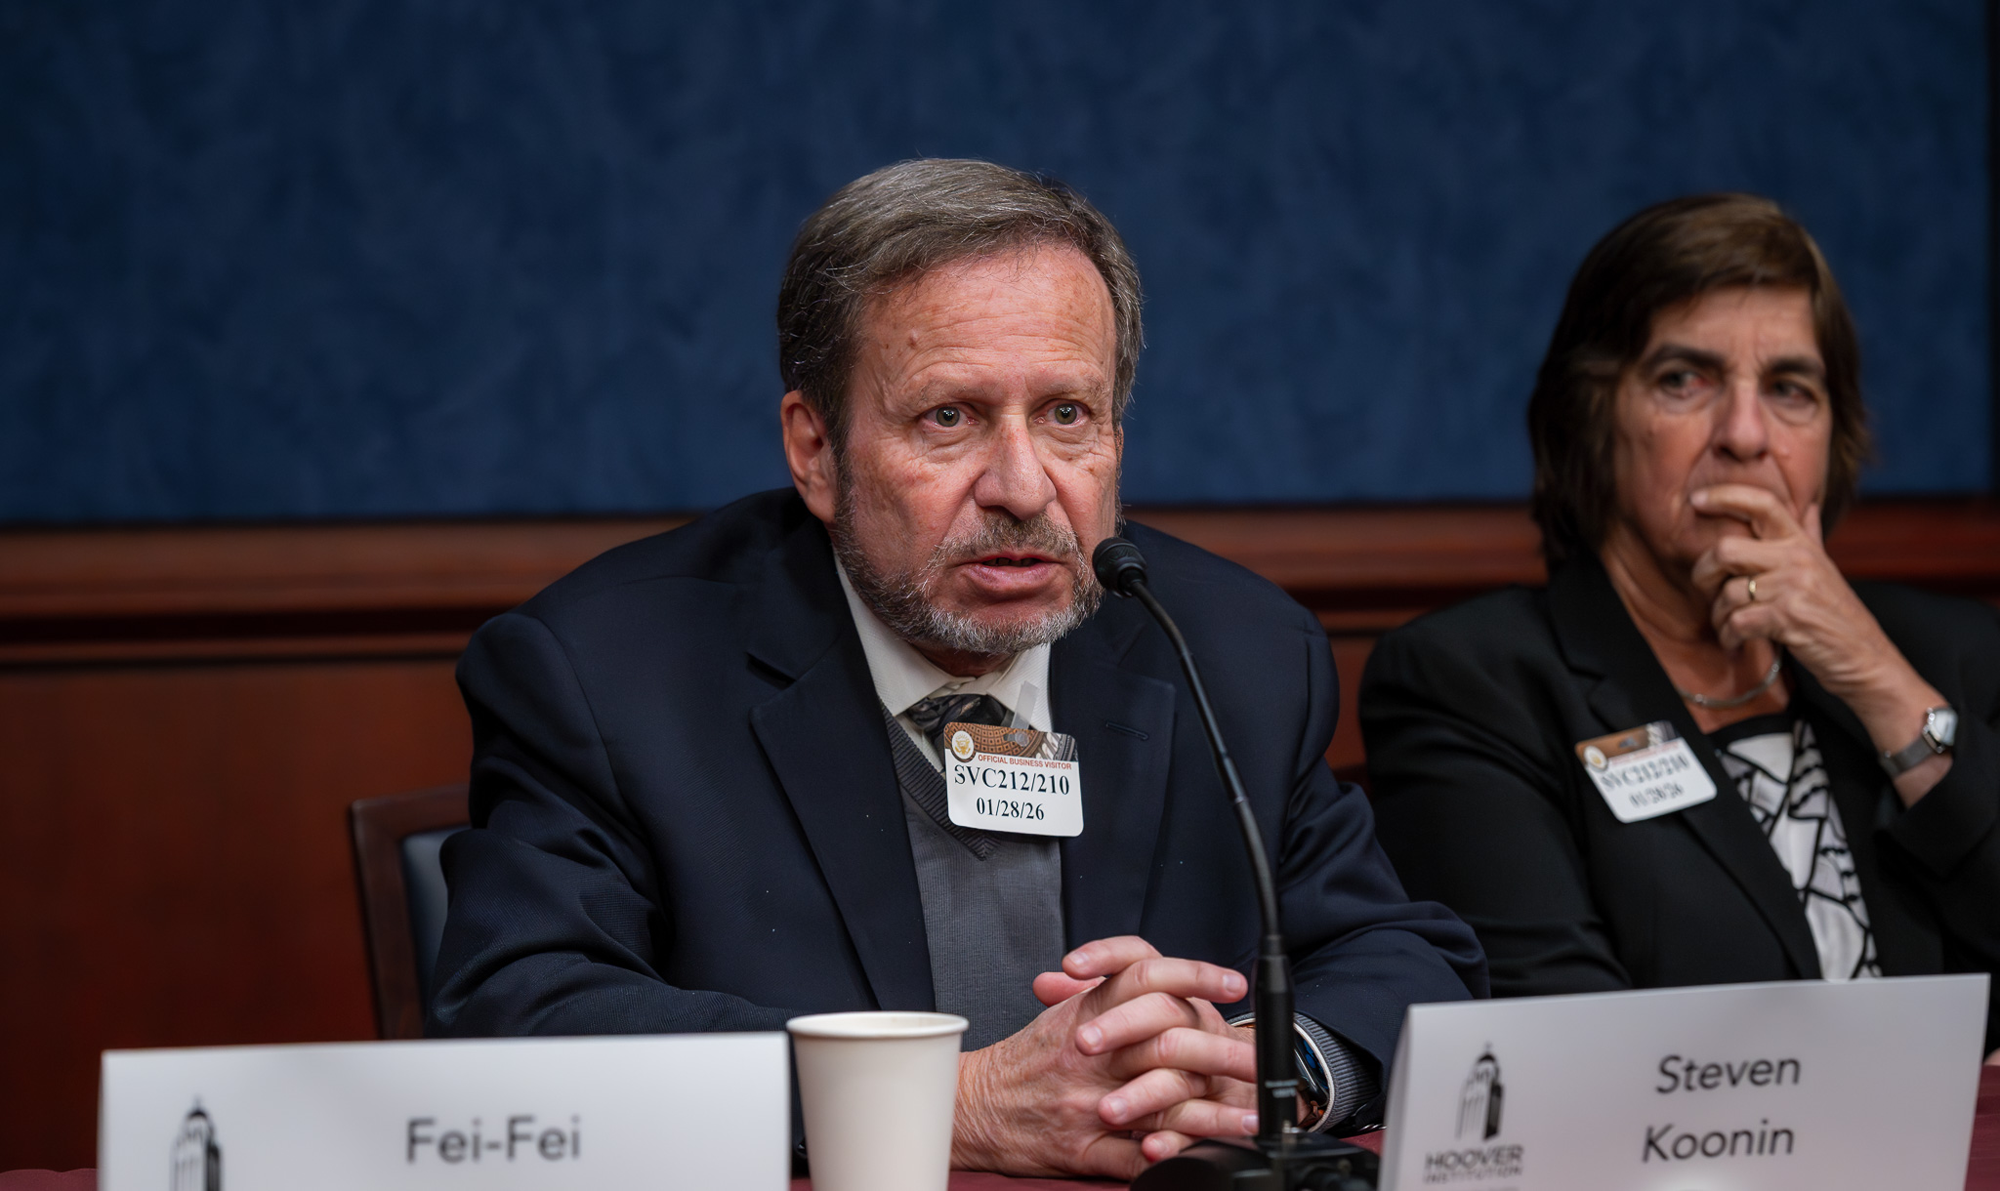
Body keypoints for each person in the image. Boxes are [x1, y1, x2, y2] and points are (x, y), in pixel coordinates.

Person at [428, 158, 1486, 1178]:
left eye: (1065, 415)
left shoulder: (1232, 651)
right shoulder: (609, 674)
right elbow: (522, 1012)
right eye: (951, 418)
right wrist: (953, 1104)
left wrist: (1271, 1071)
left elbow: (1404, 959)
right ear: (814, 451)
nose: (1022, 486)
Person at [1361, 193, 2000, 1056]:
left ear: (1831, 436)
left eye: (1789, 389)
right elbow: (1570, 1044)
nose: (1745, 434)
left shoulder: (1945, 658)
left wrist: (1880, 684)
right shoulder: (1475, 684)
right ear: (1596, 418)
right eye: (1683, 380)